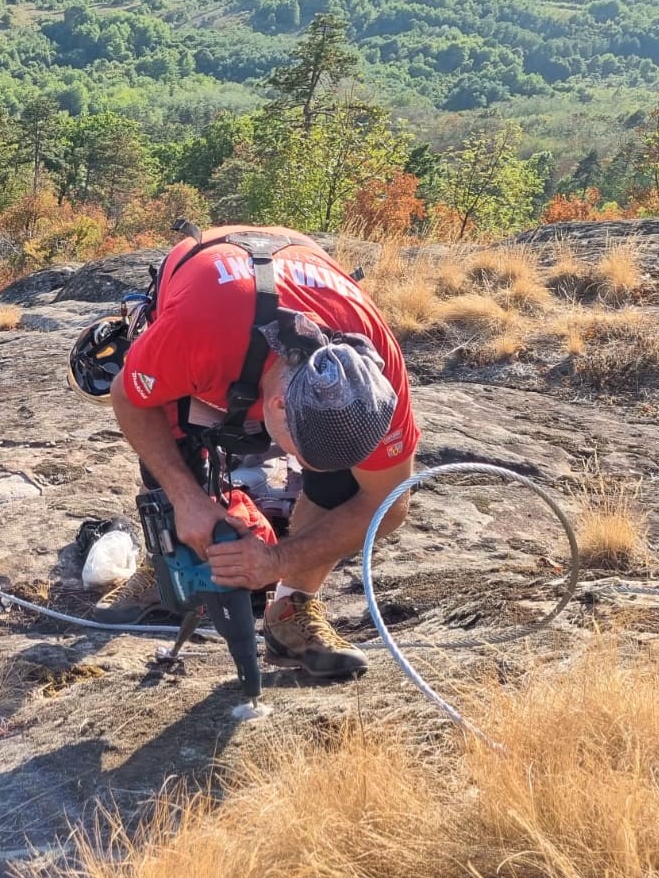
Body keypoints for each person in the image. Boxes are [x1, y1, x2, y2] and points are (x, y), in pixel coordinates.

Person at [97, 224, 419, 680]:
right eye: (303, 454)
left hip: (279, 294)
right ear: (276, 406)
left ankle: (292, 610)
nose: (303, 472)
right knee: (175, 443)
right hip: (217, 298)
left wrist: (280, 561)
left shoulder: (375, 376)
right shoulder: (199, 332)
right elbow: (130, 397)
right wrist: (188, 501)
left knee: (348, 483)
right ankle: (164, 567)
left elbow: (388, 506)